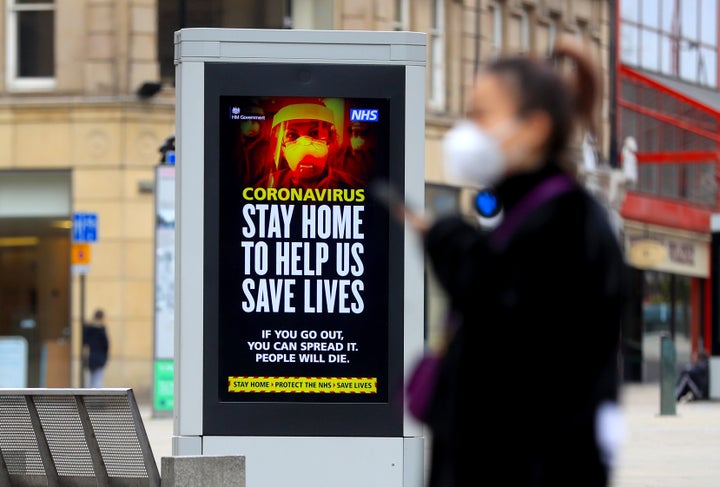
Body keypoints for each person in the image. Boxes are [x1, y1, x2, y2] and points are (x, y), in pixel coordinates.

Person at [407, 39, 629, 487]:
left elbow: (508, 331)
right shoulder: (530, 214)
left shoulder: (566, 226)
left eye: (481, 115)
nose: (466, 130)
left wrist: (448, 239)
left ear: (533, 128)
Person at [260, 102, 364, 189]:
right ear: (282, 146)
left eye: (315, 133)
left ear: (331, 138)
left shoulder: (353, 188)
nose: (305, 145)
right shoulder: (266, 186)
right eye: (292, 135)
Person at [83, 308, 110, 388]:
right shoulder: (101, 330)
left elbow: (85, 342)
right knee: (98, 380)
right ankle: (96, 399)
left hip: (91, 356)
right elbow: (106, 345)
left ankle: (86, 398)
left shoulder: (89, 329)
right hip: (100, 357)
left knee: (90, 381)